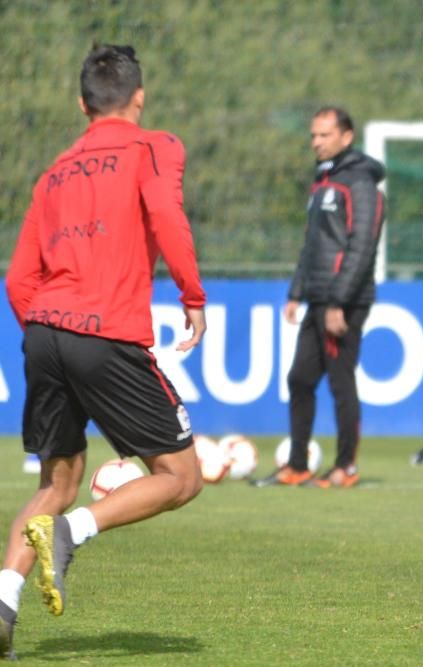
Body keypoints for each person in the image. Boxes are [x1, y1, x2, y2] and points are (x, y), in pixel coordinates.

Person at [0, 44, 206, 658]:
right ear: (138, 97)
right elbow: (167, 216)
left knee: (57, 479)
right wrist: (192, 293)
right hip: (105, 333)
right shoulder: (155, 146)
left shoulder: (55, 172)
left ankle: (2, 601)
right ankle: (71, 533)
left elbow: (16, 280)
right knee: (182, 477)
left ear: (82, 103)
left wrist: (48, 333)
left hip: (43, 332)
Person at [251, 106, 386, 489]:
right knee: (300, 379)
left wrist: (338, 301)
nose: (316, 142)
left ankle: (346, 467)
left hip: (344, 301)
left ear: (346, 137)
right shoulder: (324, 180)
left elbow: (362, 245)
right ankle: (297, 465)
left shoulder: (361, 183)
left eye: (324, 135)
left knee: (341, 382)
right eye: (313, 135)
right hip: (317, 298)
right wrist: (297, 292)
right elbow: (313, 245)